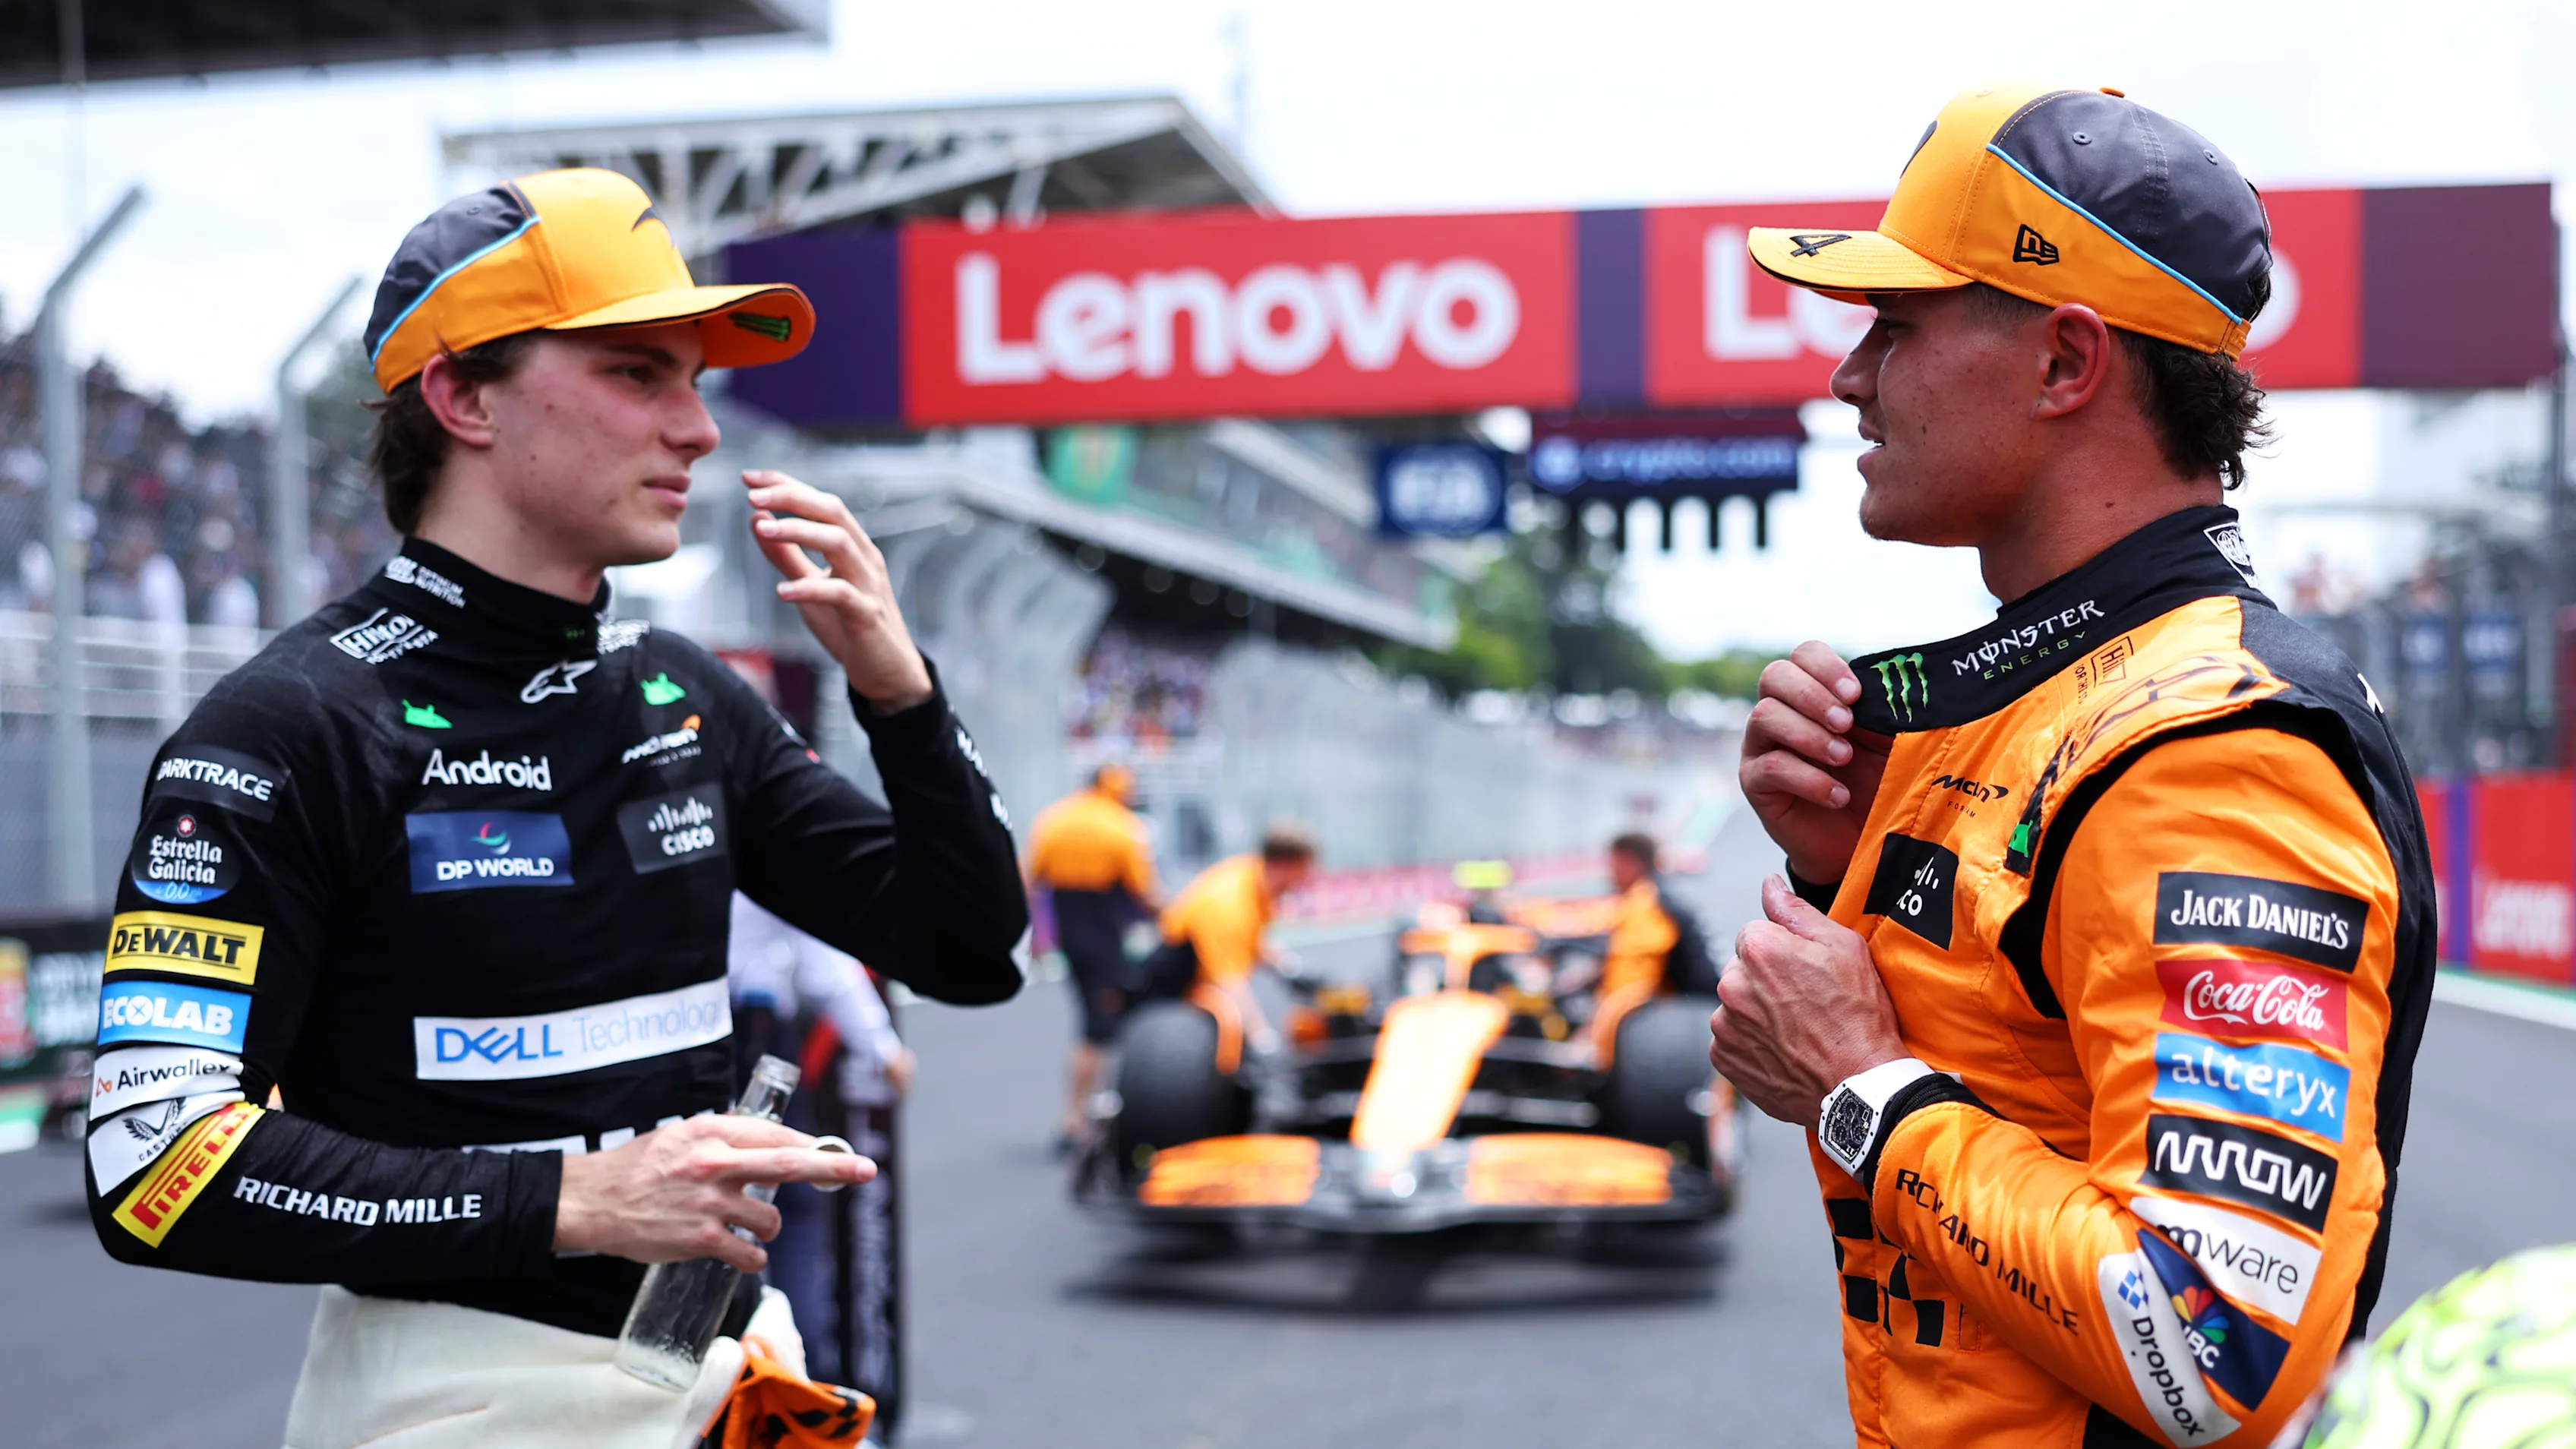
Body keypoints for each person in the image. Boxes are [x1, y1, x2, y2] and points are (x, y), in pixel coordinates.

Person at [82, 167, 1028, 1448]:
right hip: (455, 1405)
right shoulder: (287, 730)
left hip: (724, 1371)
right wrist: (575, 1198)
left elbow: (972, 950)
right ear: (463, 396)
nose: (697, 429)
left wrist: (902, 697)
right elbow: (153, 1162)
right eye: (639, 374)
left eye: (694, 380)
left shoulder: (682, 694)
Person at [1712, 86, 2435, 1449]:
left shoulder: (2211, 748)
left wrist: (1861, 1093)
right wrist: (1841, 869)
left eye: (1896, 325)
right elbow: (2009, 1067)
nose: (1850, 376)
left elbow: (2212, 1350)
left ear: (2064, 362)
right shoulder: (2034, 699)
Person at [1024, 762, 1161, 1144]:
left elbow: (1029, 878)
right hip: (1105, 940)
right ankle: (1082, 1119)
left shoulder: (1054, 819)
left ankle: (1085, 1115)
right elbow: (1145, 890)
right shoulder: (1120, 826)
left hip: (1072, 940)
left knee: (1096, 1023)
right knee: (1101, 1029)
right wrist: (1173, 917)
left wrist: (1033, 936)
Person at [1139, 827, 1318, 1059]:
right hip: (1172, 980)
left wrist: (1287, 965)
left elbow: (1249, 936)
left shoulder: (1253, 875)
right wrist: (1262, 1037)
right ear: (1286, 866)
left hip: (1196, 967)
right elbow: (1229, 980)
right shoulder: (1228, 904)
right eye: (1304, 870)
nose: (1305, 879)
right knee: (1172, 1052)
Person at [1589, 832, 1718, 1064]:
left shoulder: (1646, 905)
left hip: (1693, 1016)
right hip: (1698, 1009)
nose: (1609, 873)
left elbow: (1628, 988)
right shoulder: (1655, 895)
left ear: (1630, 862)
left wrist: (1596, 1048)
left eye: (1614, 864)